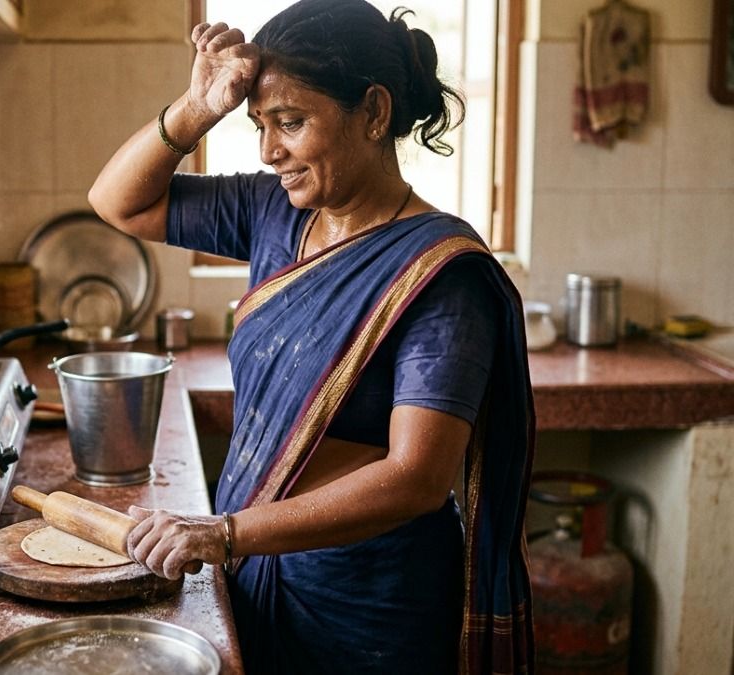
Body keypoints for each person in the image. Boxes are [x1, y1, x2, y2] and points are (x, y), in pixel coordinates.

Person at [87, 1, 536, 673]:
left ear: (374, 112)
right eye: (260, 126)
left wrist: (224, 532)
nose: (270, 151)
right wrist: (195, 106)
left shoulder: (440, 276)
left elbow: (416, 477)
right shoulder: (274, 208)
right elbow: (120, 202)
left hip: (368, 602)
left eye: (291, 123)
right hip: (258, 570)